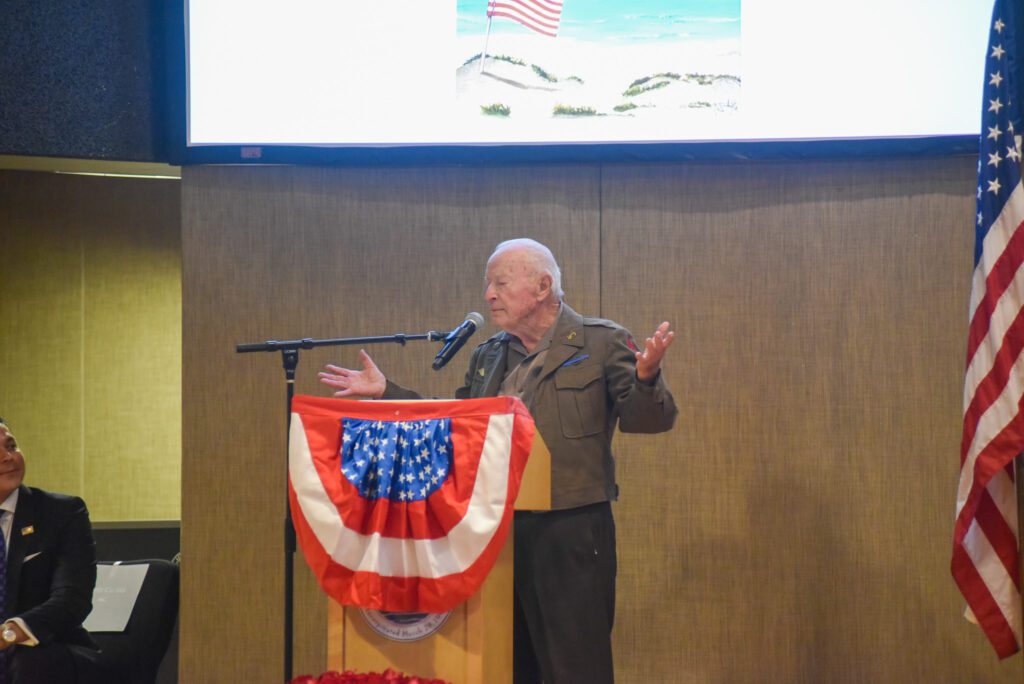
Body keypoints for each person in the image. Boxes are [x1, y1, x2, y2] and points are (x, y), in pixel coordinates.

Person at [319, 238, 677, 683]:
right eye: (488, 284)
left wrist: (646, 378)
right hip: (495, 529)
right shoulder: (488, 355)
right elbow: (455, 426)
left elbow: (649, 421)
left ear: (543, 286)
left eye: (500, 283)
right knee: (507, 663)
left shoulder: (600, 342)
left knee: (575, 665)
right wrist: (386, 393)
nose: (488, 294)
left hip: (570, 529)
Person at [0, 418, 104, 684]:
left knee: (26, 662)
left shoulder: (61, 512)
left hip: (46, 650)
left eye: (11, 446)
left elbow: (72, 599)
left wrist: (9, 634)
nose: (8, 457)